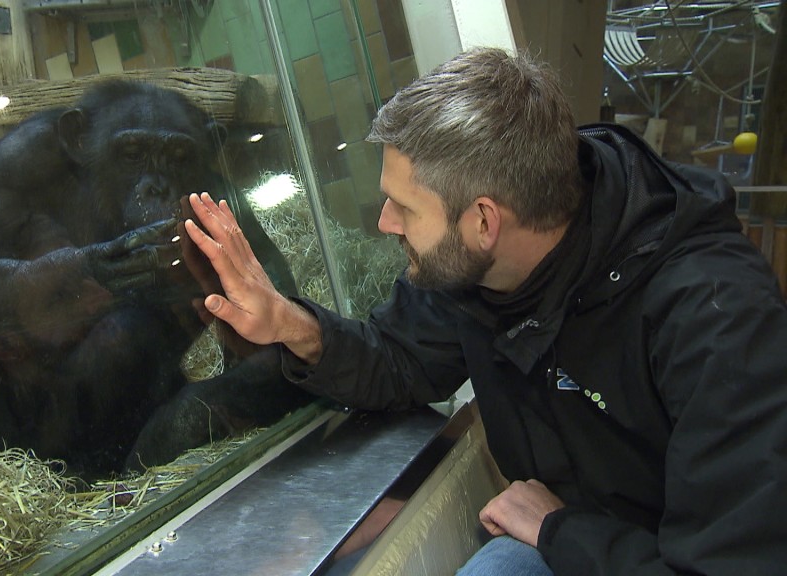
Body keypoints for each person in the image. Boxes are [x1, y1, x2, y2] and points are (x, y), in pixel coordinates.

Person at [183, 47, 787, 575]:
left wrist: (559, 530)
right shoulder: (476, 270)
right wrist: (289, 324)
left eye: (403, 208)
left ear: (484, 221)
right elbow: (400, 360)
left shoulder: (717, 320)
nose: (383, 223)